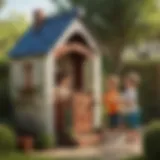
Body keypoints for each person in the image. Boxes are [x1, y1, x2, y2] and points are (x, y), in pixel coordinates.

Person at [123, 72, 141, 143]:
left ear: (132, 83)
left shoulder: (132, 91)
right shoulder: (127, 91)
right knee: (129, 125)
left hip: (133, 111)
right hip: (129, 111)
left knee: (133, 126)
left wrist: (124, 103)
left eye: (127, 81)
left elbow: (131, 102)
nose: (125, 83)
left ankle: (135, 138)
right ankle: (131, 138)